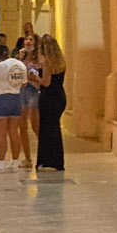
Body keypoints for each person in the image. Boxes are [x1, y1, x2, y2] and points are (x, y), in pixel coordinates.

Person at [0, 43, 31, 167]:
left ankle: (1, 161)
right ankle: (15, 161)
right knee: (13, 132)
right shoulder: (21, 65)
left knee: (1, 133)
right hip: (16, 97)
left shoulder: (2, 65)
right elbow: (24, 83)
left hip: (2, 97)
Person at [31, 34, 68, 172]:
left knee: (46, 130)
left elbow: (46, 82)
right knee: (54, 129)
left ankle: (48, 161)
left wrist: (35, 77)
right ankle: (57, 161)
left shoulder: (47, 62)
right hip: (59, 96)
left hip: (49, 98)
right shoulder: (60, 61)